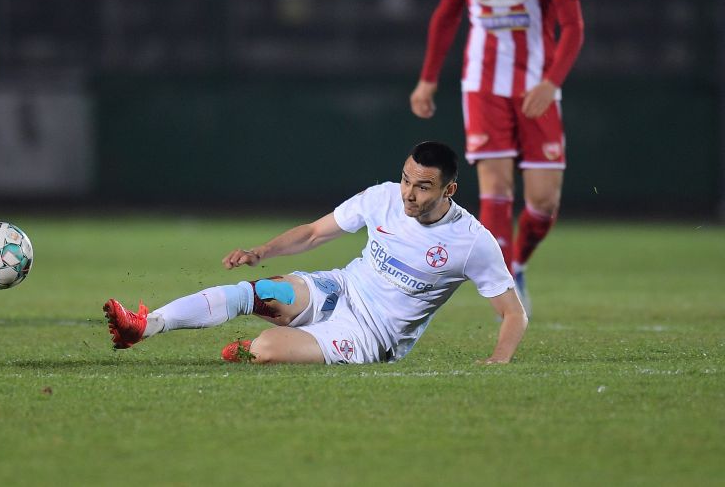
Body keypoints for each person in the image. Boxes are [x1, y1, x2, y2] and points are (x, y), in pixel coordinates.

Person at [104, 141, 527, 365]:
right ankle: (145, 325)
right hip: (339, 289)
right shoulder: (382, 197)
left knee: (266, 348)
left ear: (449, 189)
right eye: (405, 180)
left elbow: (513, 313)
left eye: (423, 187)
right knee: (255, 292)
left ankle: (256, 348)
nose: (408, 194)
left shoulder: (472, 241)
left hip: (371, 336)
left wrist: (499, 359)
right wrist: (261, 250)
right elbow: (312, 234)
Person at [409, 0, 585, 313]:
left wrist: (551, 82)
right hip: (482, 87)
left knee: (543, 202)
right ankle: (504, 286)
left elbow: (573, 26)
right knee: (496, 189)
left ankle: (518, 262)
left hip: (536, 89)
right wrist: (428, 79)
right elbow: (446, 16)